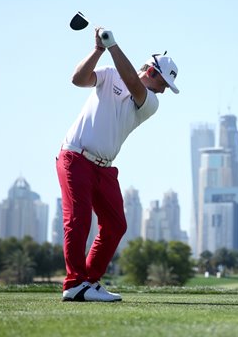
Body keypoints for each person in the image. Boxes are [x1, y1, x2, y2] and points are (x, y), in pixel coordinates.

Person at [56, 27, 179, 302]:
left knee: (115, 225)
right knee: (78, 220)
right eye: (164, 84)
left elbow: (134, 85)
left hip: (104, 168)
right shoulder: (109, 74)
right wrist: (99, 49)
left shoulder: (151, 102)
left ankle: (88, 280)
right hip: (75, 157)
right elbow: (78, 79)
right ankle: (74, 284)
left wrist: (113, 46)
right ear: (152, 72)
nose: (165, 91)